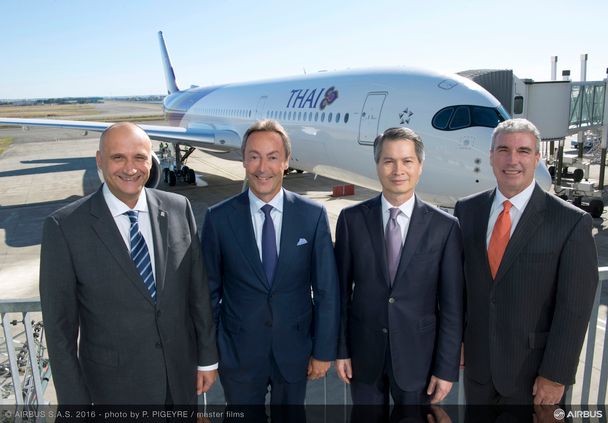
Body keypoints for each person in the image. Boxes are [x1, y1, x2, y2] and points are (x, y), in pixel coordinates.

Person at [39, 122, 218, 405]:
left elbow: (197, 292)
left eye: (139, 157)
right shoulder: (64, 227)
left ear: (151, 160)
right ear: (100, 160)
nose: (130, 168)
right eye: (117, 157)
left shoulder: (178, 208)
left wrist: (207, 359)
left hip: (180, 381)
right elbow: (60, 331)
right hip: (113, 391)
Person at [454, 118, 598, 405]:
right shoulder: (467, 209)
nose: (512, 160)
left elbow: (574, 307)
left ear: (537, 158)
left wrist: (556, 375)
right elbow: (460, 286)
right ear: (491, 156)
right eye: (504, 150)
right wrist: (456, 341)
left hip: (534, 377)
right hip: (478, 369)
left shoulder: (570, 221)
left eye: (523, 151)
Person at [201, 119, 339, 406]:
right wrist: (208, 357)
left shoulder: (312, 216)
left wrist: (323, 351)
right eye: (254, 157)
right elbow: (208, 295)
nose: (263, 168)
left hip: (295, 350)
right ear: (244, 161)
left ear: (286, 162)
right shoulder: (218, 218)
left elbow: (327, 291)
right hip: (237, 353)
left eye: (272, 157)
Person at [334, 127, 464, 408]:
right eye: (388, 161)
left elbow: (452, 307)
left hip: (420, 361)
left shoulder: (445, 227)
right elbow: (340, 295)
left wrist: (446, 368)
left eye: (407, 161)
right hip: (363, 357)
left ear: (420, 167)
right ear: (378, 165)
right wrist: (341, 349)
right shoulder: (351, 220)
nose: (398, 170)